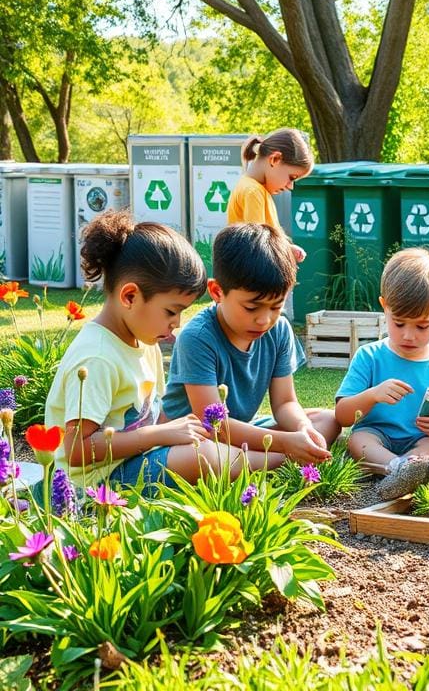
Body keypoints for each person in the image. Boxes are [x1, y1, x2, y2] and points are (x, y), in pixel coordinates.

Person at [46, 210, 212, 490]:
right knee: (206, 458)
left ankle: (281, 454)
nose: (176, 323)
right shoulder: (96, 357)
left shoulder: (143, 340)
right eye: (171, 311)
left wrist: (176, 433)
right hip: (90, 486)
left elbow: (155, 415)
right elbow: (76, 451)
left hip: (134, 463)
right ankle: (283, 457)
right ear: (130, 296)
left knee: (206, 446)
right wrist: (158, 435)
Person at [162, 223, 338, 468]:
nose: (264, 319)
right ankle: (284, 460)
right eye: (251, 307)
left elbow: (285, 403)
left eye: (276, 307)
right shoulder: (197, 337)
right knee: (206, 456)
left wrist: (303, 428)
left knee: (327, 420)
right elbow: (215, 425)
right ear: (216, 291)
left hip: (242, 432)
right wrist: (286, 444)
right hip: (192, 439)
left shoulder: (279, 330)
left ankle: (268, 461)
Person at [334, 248, 429, 499]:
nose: (409, 335)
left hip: (422, 441)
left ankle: (410, 467)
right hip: (377, 437)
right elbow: (342, 416)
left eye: (421, 326)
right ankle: (397, 468)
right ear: (384, 307)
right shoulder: (369, 356)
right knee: (359, 440)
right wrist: (373, 395)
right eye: (398, 323)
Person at [226, 129, 313, 263]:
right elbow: (258, 246)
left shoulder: (257, 189)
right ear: (275, 159)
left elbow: (267, 239)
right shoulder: (253, 191)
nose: (291, 186)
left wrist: (287, 248)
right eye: (291, 177)